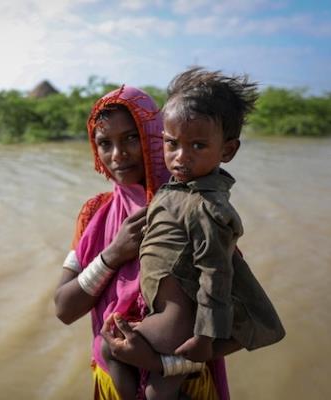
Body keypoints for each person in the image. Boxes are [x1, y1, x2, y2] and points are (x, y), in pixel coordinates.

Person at [101, 68, 286, 399]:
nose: (180, 158)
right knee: (150, 386)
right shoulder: (180, 190)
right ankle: (167, 367)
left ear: (227, 151)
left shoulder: (206, 207)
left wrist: (204, 339)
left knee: (112, 351)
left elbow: (217, 274)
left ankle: (166, 364)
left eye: (198, 145)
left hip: (173, 329)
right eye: (171, 144)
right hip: (167, 325)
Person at [54, 85, 231, 400]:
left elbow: (234, 315)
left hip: (184, 383)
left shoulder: (194, 205)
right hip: (115, 380)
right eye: (105, 143)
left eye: (131, 138)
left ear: (155, 136)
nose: (117, 156)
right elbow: (64, 308)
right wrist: (114, 254)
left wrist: (158, 363)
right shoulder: (95, 213)